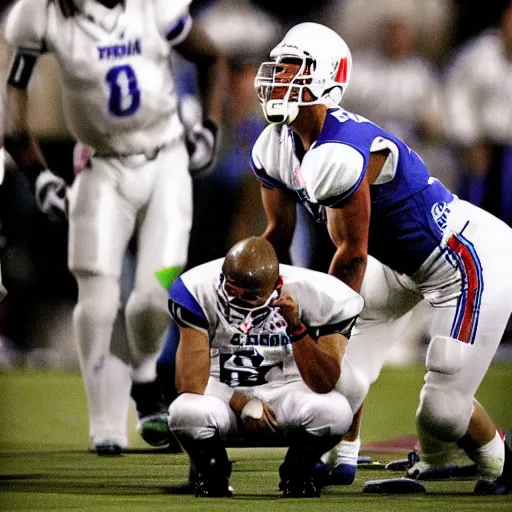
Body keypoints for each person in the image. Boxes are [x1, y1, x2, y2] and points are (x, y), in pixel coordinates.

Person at [250, 21, 512, 494]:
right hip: (398, 263)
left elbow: (351, 254)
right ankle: (342, 455)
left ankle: (499, 458)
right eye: (279, 66)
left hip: (465, 258)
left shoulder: (343, 152)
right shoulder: (274, 145)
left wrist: (323, 324)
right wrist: (260, 294)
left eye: (293, 68)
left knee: (441, 409)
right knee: (338, 378)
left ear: (326, 78)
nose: (279, 78)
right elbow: (278, 235)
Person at [2, 0, 228, 455]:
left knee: (156, 294)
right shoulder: (42, 13)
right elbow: (14, 102)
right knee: (98, 298)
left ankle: (144, 381)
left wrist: (209, 127)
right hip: (100, 168)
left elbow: (210, 57)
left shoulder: (155, 6)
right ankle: (103, 419)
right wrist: (37, 171)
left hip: (166, 165)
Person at [167, 236, 364, 497]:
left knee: (337, 410)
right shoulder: (197, 288)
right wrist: (242, 401)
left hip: (285, 396)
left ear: (277, 286)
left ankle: (298, 472)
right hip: (223, 396)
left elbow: (323, 382)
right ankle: (213, 473)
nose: (236, 300)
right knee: (184, 411)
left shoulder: (323, 295)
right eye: (231, 290)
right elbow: (190, 383)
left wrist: (297, 327)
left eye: (248, 296)